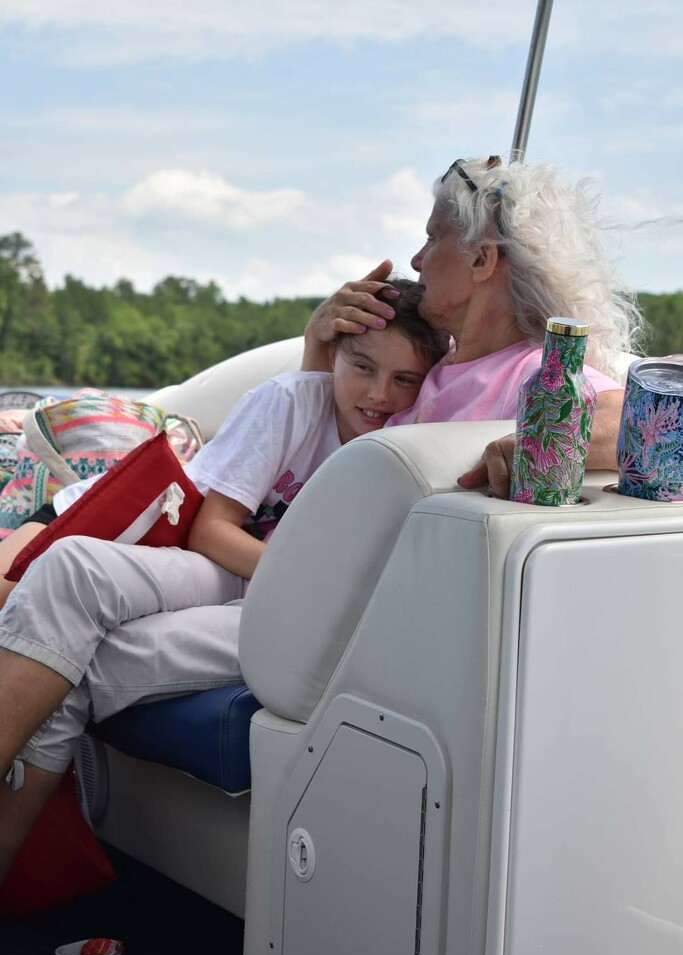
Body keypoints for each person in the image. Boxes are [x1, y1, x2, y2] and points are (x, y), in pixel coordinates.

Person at [0, 278, 448, 886]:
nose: (378, 394)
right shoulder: (296, 400)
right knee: (68, 567)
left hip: (301, 610)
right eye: (362, 366)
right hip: (236, 566)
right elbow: (211, 532)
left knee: (78, 657)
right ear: (335, 354)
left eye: (405, 380)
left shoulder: (419, 440)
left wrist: (307, 587)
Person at [302, 156, 638, 495]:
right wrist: (317, 342)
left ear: (481, 259)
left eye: (432, 238)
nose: (416, 260)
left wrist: (533, 445)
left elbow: (633, 423)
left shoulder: (534, 372)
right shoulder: (430, 359)